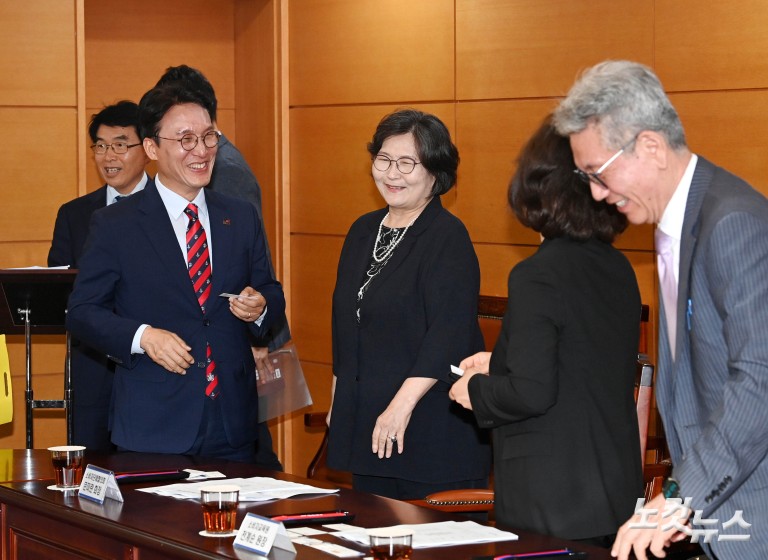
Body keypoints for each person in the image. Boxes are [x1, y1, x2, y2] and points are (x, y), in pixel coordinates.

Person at [553, 60, 768, 560]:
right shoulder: (674, 222)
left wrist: (679, 497)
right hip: (720, 518)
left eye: (599, 173)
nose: (595, 193)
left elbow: (760, 378)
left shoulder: (732, 222)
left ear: (650, 146)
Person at [66, 80, 285, 462]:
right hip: (154, 423)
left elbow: (270, 290)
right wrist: (143, 336)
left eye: (209, 137)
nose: (201, 151)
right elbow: (82, 312)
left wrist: (260, 306)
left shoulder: (239, 215)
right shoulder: (116, 224)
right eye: (186, 140)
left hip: (232, 422)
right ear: (152, 148)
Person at [448, 116, 643, 546]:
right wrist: (499, 361)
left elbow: (532, 392)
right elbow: (582, 361)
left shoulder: (537, 274)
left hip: (552, 495)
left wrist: (474, 389)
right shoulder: (618, 267)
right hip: (613, 489)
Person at [326, 109, 491, 500]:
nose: (391, 174)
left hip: (431, 430)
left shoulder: (448, 237)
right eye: (384, 160)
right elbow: (346, 323)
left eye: (407, 163)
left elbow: (448, 336)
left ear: (435, 172)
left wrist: (400, 407)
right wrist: (339, 402)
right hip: (372, 427)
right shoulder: (362, 230)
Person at [155, 64, 288, 470]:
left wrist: (260, 335)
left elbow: (251, 261)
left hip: (236, 339)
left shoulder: (225, 172)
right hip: (205, 354)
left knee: (248, 449)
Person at [48, 100, 150, 450]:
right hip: (92, 369)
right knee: (90, 469)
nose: (109, 157)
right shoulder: (74, 215)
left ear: (147, 148)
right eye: (101, 146)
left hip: (153, 366)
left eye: (120, 145)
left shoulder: (169, 210)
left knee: (152, 469)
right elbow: (63, 292)